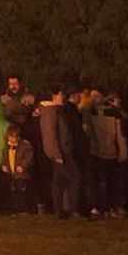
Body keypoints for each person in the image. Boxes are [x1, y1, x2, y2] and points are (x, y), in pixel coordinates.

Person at [39, 84, 84, 219]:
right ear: (57, 94)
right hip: (61, 152)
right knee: (74, 178)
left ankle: (60, 210)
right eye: (62, 94)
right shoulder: (51, 111)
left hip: (62, 151)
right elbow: (50, 135)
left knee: (59, 181)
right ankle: (73, 210)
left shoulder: (56, 111)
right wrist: (57, 154)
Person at [2, 113, 37, 212]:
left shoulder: (24, 146)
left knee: (23, 191)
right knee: (13, 191)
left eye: (13, 137)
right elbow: (4, 156)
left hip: (22, 174)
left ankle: (24, 208)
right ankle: (16, 208)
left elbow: (29, 157)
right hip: (12, 173)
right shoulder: (7, 146)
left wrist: (23, 166)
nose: (12, 139)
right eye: (10, 137)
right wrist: (3, 164)